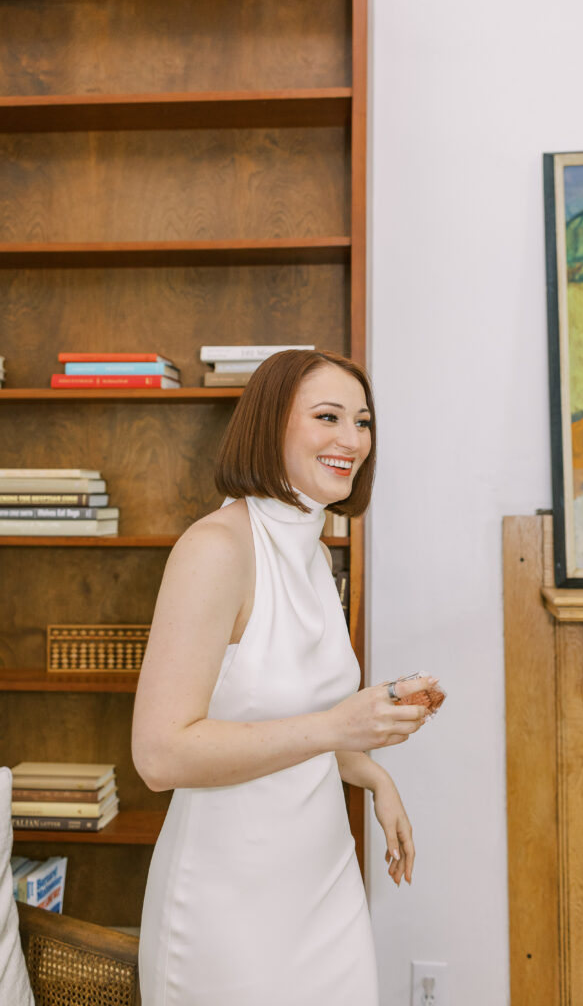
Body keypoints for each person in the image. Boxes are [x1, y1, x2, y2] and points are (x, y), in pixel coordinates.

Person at [132, 349, 439, 1005]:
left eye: (361, 421)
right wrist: (337, 725)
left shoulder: (316, 551)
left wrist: (373, 773)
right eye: (327, 416)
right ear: (270, 425)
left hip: (321, 877)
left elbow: (288, 719)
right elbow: (159, 755)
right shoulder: (215, 549)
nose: (351, 440)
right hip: (230, 903)